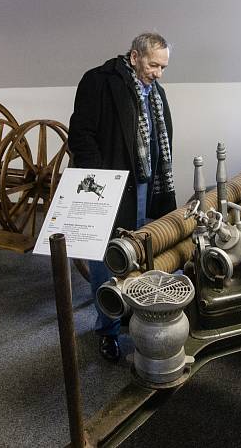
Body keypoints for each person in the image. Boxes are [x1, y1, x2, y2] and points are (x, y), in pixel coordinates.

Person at [68, 33, 177, 362]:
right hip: (113, 187)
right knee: (109, 257)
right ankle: (108, 328)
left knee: (142, 250)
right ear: (134, 56)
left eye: (163, 66)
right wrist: (101, 182)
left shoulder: (154, 92)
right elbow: (81, 135)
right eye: (153, 64)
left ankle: (136, 312)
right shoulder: (98, 81)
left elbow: (159, 141)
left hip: (146, 184)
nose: (158, 72)